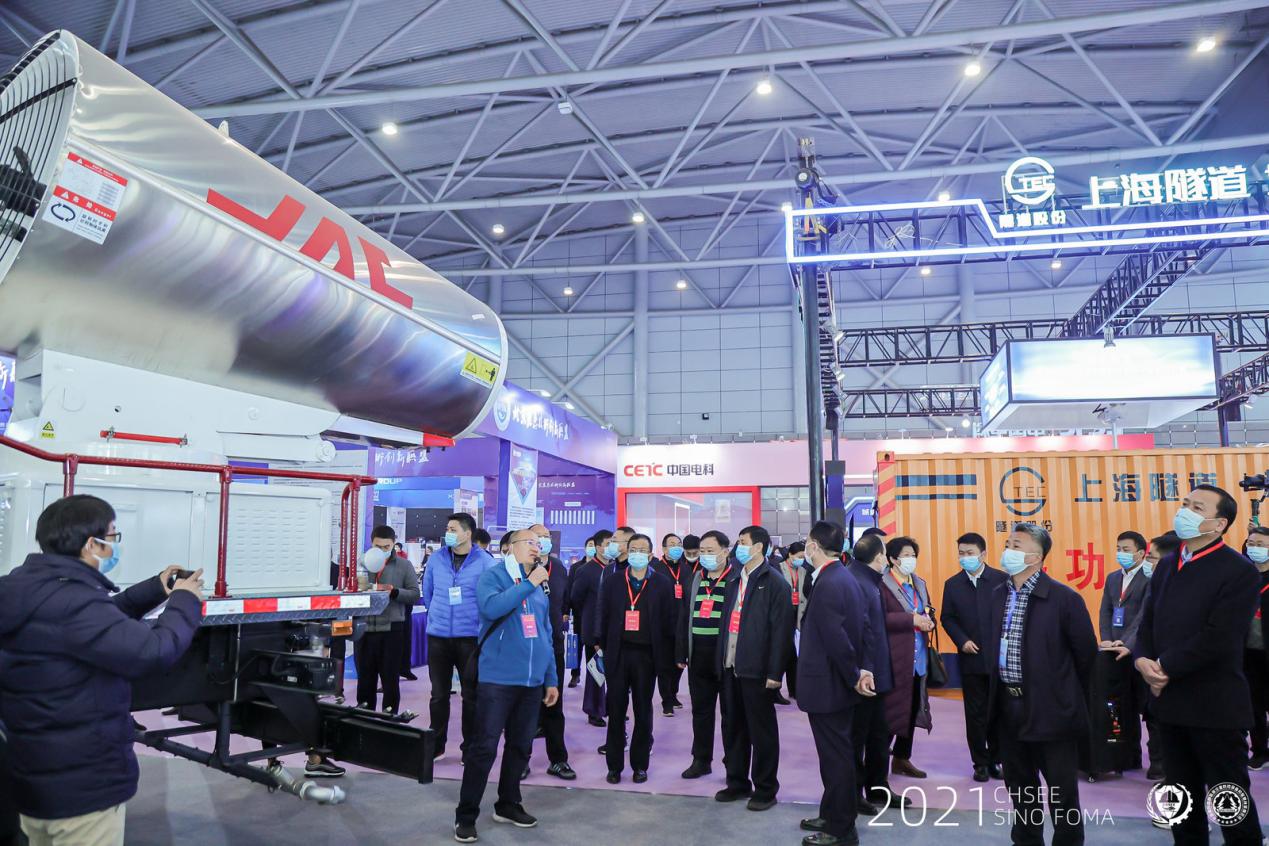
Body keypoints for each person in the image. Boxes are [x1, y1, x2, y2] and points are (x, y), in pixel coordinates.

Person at [0, 495, 205, 846]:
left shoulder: (24, 588)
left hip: (33, 781)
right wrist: (185, 601)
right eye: (112, 535)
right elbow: (155, 651)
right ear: (91, 544)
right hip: (83, 791)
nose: (114, 544)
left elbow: (91, 624)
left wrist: (154, 589)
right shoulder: (76, 602)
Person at [1135, 485, 1263, 845]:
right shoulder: (1168, 563)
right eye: (1185, 504)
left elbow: (1220, 637)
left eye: (1197, 507)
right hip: (1169, 703)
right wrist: (1142, 659)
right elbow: (1148, 621)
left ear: (1219, 524)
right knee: (1182, 800)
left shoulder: (1239, 571)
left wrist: (1163, 667)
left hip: (1214, 706)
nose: (1185, 511)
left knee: (1229, 799)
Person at [986, 523, 1096, 846]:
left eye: (1016, 545)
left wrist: (1062, 694)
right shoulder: (997, 595)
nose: (1008, 550)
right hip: (1009, 707)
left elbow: (1086, 656)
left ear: (1035, 557)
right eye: (1008, 543)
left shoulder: (1064, 599)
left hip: (1052, 710)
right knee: (1020, 790)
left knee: (1062, 794)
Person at [453, 529, 558, 843]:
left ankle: (508, 803)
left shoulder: (540, 584)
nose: (536, 548)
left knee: (521, 746)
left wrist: (550, 678)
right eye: (530, 543)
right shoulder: (494, 576)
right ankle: (466, 815)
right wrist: (528, 584)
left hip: (531, 682)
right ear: (511, 548)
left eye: (539, 544)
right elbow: (491, 608)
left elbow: (545, 632)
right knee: (484, 748)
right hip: (497, 680)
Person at [797, 521, 876, 846]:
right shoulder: (842, 576)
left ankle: (841, 829)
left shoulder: (830, 581)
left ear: (814, 546)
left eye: (807, 542)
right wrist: (861, 670)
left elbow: (836, 638)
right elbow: (864, 627)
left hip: (830, 685)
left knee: (836, 758)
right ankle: (831, 813)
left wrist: (854, 675)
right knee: (835, 755)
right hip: (835, 683)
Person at [715, 525, 793, 811]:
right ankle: (737, 782)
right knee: (733, 727)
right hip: (731, 664)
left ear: (759, 547)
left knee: (762, 732)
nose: (739, 547)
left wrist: (775, 672)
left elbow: (781, 632)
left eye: (743, 542)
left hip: (757, 669)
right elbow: (726, 623)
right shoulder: (734, 579)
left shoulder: (775, 583)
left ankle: (765, 788)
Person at [595, 533, 673, 784]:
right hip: (618, 653)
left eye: (642, 549)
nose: (638, 553)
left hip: (647, 656)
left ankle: (640, 765)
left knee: (643, 710)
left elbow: (669, 620)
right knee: (616, 710)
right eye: (634, 549)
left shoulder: (662, 583)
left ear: (650, 555)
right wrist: (599, 642)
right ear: (627, 552)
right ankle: (614, 766)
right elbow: (602, 612)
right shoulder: (613, 581)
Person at [420, 513, 495, 762]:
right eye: (447, 528)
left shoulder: (485, 562)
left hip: (470, 638)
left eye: (453, 529)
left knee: (471, 695)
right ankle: (436, 746)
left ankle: (469, 748)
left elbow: (490, 598)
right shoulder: (437, 559)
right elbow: (428, 592)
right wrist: (437, 615)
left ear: (468, 533)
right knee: (438, 695)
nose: (448, 533)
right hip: (438, 636)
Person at [1089, 530, 1159, 779]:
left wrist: (1128, 643)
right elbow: (1105, 611)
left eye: (1126, 549)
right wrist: (1107, 639)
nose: (1121, 553)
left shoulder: (1149, 578)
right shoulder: (1112, 578)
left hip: (1139, 650)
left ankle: (1155, 761)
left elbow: (1143, 616)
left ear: (1140, 553)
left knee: (1146, 706)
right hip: (1114, 652)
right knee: (1120, 706)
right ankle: (1127, 757)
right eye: (1119, 548)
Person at [939, 531, 1006, 783]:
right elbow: (947, 618)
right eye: (961, 553)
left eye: (970, 553)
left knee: (998, 712)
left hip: (998, 659)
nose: (965, 557)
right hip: (971, 659)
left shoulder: (1001, 580)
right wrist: (962, 640)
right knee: (975, 713)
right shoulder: (953, 584)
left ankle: (996, 759)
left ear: (983, 554)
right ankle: (980, 762)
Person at [845, 533, 902, 815]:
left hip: (877, 673)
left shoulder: (870, 580)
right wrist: (861, 672)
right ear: (879, 557)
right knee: (857, 737)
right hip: (863, 676)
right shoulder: (856, 582)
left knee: (879, 734)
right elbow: (858, 633)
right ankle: (854, 794)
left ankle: (878, 788)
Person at [675, 530, 738, 779]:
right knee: (701, 712)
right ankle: (701, 760)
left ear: (725, 551)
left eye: (710, 551)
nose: (705, 555)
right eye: (702, 551)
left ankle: (733, 764)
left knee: (730, 714)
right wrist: (681, 651)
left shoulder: (735, 578)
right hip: (698, 655)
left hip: (724, 657)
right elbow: (684, 615)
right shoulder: (695, 578)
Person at [880, 535, 933, 779]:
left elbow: (926, 609)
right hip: (895, 657)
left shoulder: (919, 583)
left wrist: (928, 619)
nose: (911, 559)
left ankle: (902, 758)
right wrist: (911, 620)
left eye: (913, 555)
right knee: (891, 711)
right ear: (892, 559)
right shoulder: (882, 584)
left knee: (911, 710)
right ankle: (878, 761)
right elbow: (879, 617)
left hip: (918, 657)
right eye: (906, 556)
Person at [527, 523, 575, 781]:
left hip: (553, 645)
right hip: (525, 647)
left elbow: (564, 602)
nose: (543, 540)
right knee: (525, 706)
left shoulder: (559, 568)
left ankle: (558, 760)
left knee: (554, 704)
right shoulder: (519, 568)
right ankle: (520, 760)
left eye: (546, 536)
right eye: (538, 536)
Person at [356, 526, 420, 717]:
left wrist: (394, 592)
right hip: (364, 628)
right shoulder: (361, 563)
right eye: (378, 546)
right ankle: (364, 717)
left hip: (393, 629)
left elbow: (414, 594)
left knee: (390, 679)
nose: (382, 550)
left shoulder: (404, 565)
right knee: (365, 678)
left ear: (393, 545)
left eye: (387, 547)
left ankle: (390, 718)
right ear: (371, 543)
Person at [567, 530, 609, 725]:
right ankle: (594, 710)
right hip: (593, 628)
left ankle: (609, 706)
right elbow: (576, 598)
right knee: (596, 672)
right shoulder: (586, 570)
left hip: (613, 629)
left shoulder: (615, 568)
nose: (612, 547)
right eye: (608, 544)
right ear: (598, 547)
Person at [653, 532, 690, 716]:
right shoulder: (656, 569)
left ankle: (673, 693)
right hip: (663, 623)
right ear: (664, 548)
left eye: (679, 544)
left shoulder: (686, 568)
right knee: (664, 665)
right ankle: (666, 700)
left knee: (680, 662)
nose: (676, 547)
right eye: (672, 544)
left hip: (682, 623)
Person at [774, 540, 810, 705]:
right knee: (783, 654)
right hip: (783, 615)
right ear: (790, 555)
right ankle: (776, 690)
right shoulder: (778, 569)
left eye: (803, 557)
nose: (801, 560)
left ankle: (794, 689)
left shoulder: (803, 571)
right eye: (799, 556)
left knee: (794, 656)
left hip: (798, 615)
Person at [1246, 526, 1269, 770]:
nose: (1255, 548)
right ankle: (1260, 751)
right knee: (1254, 705)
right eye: (1251, 544)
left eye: (1261, 545)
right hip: (1248, 653)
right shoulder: (1244, 577)